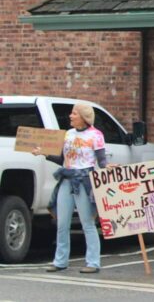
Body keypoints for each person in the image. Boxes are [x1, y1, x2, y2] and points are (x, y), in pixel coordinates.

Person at [35, 103, 106, 274]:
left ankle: (93, 262)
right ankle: (60, 261)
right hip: (67, 178)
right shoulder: (68, 134)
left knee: (87, 223)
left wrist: (107, 168)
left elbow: (101, 160)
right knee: (62, 223)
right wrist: (43, 153)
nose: (70, 116)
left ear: (83, 117)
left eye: (74, 113)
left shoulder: (96, 135)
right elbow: (63, 159)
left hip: (84, 180)